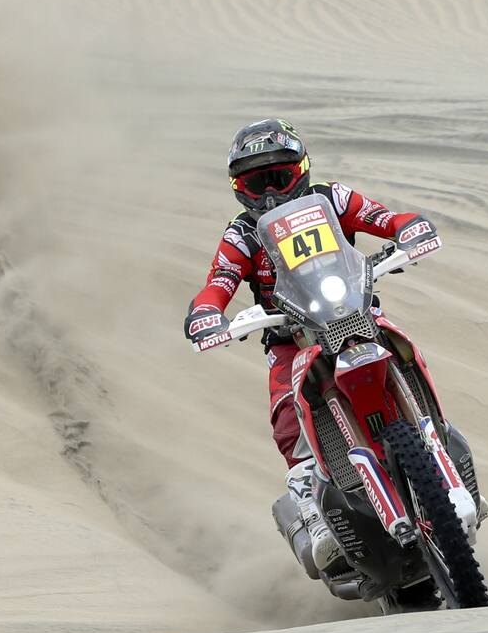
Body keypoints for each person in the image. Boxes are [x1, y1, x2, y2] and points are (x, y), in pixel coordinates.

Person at [183, 118, 441, 578]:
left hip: (355, 313)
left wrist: (408, 226)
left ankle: (436, 440)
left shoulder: (333, 198)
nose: (269, 193)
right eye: (255, 181)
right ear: (237, 187)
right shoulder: (241, 234)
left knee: (405, 349)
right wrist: (207, 312)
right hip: (290, 336)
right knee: (288, 414)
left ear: (300, 170)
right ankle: (316, 515)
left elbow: (380, 218)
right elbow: (218, 283)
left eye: (277, 177)